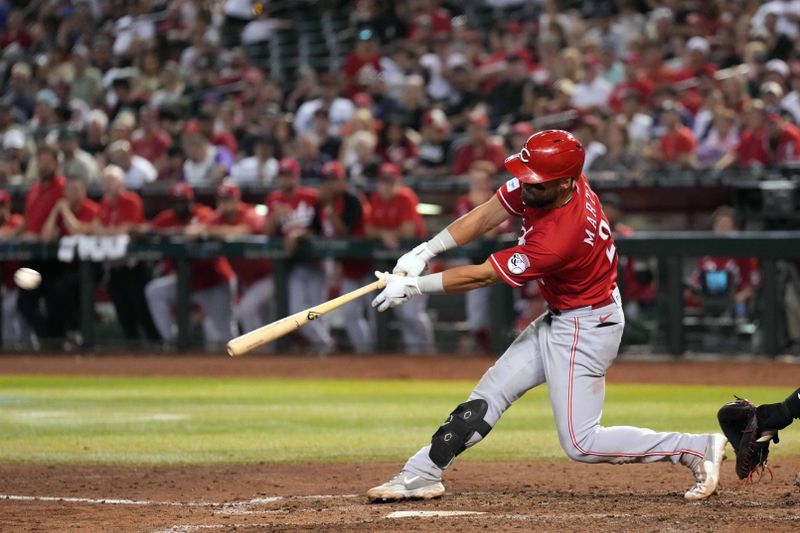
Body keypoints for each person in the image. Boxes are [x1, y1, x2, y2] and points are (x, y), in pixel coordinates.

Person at [366, 130, 726, 502]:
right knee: (490, 393)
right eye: (526, 177)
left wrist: (416, 286)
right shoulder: (554, 179)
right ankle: (422, 471)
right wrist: (424, 251)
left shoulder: (561, 236)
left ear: (567, 182)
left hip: (586, 326)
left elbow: (484, 274)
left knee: (582, 443)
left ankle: (694, 447)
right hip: (565, 314)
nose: (526, 187)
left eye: (536, 183)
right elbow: (489, 213)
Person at [144, 183, 237, 349]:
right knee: (154, 291)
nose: (179, 205)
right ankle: (171, 341)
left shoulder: (204, 213)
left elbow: (209, 226)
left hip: (212, 282)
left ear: (191, 201)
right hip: (185, 281)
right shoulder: (166, 218)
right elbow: (148, 230)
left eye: (183, 201)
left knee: (226, 336)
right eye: (176, 201)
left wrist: (183, 232)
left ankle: (244, 368)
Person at [264, 157, 333, 353]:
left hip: (317, 260)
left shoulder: (312, 197)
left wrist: (299, 233)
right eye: (282, 176)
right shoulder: (274, 200)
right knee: (297, 312)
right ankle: (325, 344)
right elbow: (267, 233)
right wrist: (275, 217)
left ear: (297, 176)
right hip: (292, 264)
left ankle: (324, 351)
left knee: (320, 310)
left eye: (289, 175)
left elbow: (322, 230)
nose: (286, 180)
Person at [93, 165, 160, 345]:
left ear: (121, 182)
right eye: (105, 182)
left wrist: (107, 231)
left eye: (112, 181)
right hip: (114, 268)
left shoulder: (131, 199)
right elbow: (96, 227)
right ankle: (133, 351)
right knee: (123, 313)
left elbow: (126, 228)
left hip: (134, 266)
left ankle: (157, 347)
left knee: (143, 310)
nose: (108, 186)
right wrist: (108, 231)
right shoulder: (104, 203)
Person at [311, 161, 373, 352]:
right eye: (327, 180)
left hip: (370, 264)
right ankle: (366, 353)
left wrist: (329, 208)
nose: (330, 184)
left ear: (342, 180)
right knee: (349, 313)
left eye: (334, 179)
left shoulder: (352, 199)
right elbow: (315, 231)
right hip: (348, 267)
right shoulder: (321, 202)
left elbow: (345, 231)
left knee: (376, 312)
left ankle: (382, 354)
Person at [201, 181, 273, 338]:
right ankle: (265, 356)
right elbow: (200, 230)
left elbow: (243, 231)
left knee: (248, 310)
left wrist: (211, 231)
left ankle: (257, 353)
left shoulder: (250, 212)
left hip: (269, 276)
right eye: (221, 200)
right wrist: (206, 230)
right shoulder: (217, 219)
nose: (225, 204)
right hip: (246, 280)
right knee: (260, 317)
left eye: (228, 199)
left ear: (237, 199)